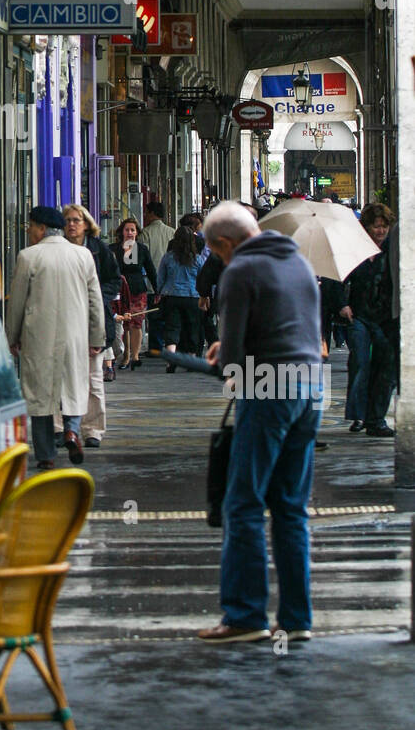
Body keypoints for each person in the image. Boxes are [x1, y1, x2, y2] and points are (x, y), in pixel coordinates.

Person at [197, 201, 324, 644]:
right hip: (310, 389)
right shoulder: (298, 264)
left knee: (243, 503)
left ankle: (245, 615)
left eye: (218, 253)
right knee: (290, 507)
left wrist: (219, 356)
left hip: (268, 388)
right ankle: (296, 618)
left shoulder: (240, 271)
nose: (220, 261)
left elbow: (232, 361)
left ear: (226, 243)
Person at [6, 205, 104, 470]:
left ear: (40, 228)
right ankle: (72, 431)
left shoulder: (28, 257)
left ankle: (46, 455)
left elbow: (17, 303)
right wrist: (97, 337)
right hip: (75, 334)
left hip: (38, 335)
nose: (28, 231)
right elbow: (95, 300)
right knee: (74, 385)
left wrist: (11, 336)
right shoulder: (83, 256)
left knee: (40, 397)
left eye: (30, 226)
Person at [62, 204, 120, 444]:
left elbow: (113, 281)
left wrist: (94, 296)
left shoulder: (99, 250)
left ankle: (93, 429)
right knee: (61, 376)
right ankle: (61, 427)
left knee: (94, 377)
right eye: (67, 221)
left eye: (77, 220)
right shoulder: (59, 249)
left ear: (86, 224)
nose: (72, 225)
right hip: (65, 319)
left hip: (93, 319)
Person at [340, 202, 396, 437]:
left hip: (385, 318)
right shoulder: (355, 250)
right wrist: (342, 305)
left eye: (384, 227)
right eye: (376, 227)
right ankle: (359, 416)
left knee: (386, 367)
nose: (381, 231)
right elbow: (338, 277)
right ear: (367, 228)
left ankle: (377, 419)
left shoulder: (393, 251)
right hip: (359, 315)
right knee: (360, 362)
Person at [113, 216, 157, 370]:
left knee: (136, 323)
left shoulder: (142, 249)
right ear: (122, 232)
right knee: (124, 324)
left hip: (138, 290)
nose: (130, 233)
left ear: (137, 232)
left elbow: (151, 270)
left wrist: (157, 289)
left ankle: (135, 355)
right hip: (120, 291)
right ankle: (125, 355)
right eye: (127, 230)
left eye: (133, 230)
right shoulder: (113, 249)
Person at [157, 226, 203, 371]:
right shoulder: (197, 258)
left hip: (171, 295)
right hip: (192, 296)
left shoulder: (168, 257)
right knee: (192, 327)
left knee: (172, 327)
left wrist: (160, 292)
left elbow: (160, 277)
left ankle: (171, 358)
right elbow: (203, 279)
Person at [139, 201, 175, 354]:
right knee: (170, 317)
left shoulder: (144, 234)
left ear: (152, 213)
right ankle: (170, 345)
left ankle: (155, 347)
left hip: (151, 282)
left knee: (154, 316)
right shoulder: (172, 232)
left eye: (147, 212)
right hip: (170, 282)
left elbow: (136, 258)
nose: (145, 215)